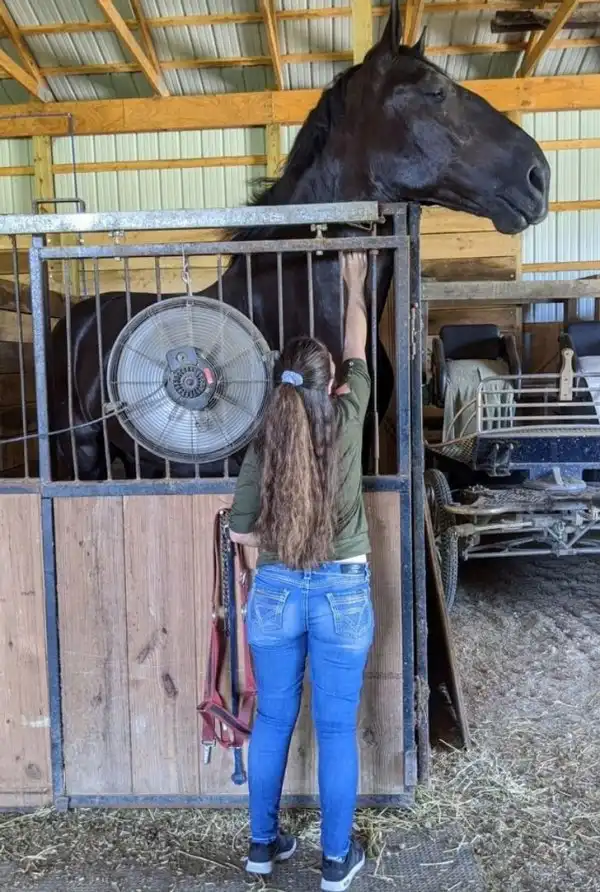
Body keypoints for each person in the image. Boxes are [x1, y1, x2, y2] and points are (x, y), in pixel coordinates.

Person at [229, 252, 374, 892]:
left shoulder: (266, 438)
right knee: (337, 728)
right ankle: (336, 864)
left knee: (273, 720)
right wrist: (354, 284)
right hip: (343, 588)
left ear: (280, 384)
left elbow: (239, 528)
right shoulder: (347, 417)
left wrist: (274, 548)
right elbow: (358, 347)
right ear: (331, 385)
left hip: (277, 589)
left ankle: (263, 848)